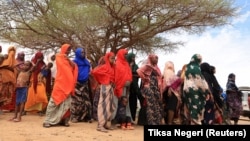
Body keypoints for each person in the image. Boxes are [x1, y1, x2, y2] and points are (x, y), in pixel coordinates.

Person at [43, 43, 78, 128]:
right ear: (63, 49)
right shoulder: (59, 57)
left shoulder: (68, 60)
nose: (68, 51)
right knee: (54, 102)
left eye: (69, 50)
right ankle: (47, 120)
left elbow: (74, 67)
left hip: (68, 85)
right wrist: (65, 58)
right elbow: (62, 67)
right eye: (67, 49)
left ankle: (64, 120)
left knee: (67, 104)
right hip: (60, 84)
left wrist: (69, 60)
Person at [182, 54, 211, 125]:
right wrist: (207, 91)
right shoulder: (196, 68)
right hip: (195, 92)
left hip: (188, 92)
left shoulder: (187, 68)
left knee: (192, 108)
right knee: (196, 109)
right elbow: (200, 81)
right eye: (200, 60)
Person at [91, 52, 116, 132]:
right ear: (107, 58)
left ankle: (105, 124)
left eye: (114, 58)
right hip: (105, 87)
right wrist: (102, 80)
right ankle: (100, 125)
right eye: (112, 58)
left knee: (109, 106)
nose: (113, 60)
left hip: (111, 87)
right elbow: (94, 72)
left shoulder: (112, 67)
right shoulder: (105, 67)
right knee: (103, 106)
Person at [136, 54, 163, 125]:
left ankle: (156, 122)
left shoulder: (157, 68)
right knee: (150, 105)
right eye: (155, 58)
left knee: (156, 105)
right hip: (148, 87)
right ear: (151, 59)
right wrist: (145, 79)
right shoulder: (147, 66)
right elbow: (139, 71)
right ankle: (151, 122)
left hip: (155, 88)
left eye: (157, 58)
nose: (157, 60)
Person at [71, 47, 92, 123]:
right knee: (77, 101)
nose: (83, 54)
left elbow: (90, 71)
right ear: (78, 53)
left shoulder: (87, 62)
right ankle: (75, 117)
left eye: (84, 52)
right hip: (77, 83)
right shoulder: (74, 62)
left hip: (85, 83)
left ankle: (86, 117)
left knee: (86, 101)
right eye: (81, 52)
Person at [24, 51, 48, 116]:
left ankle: (39, 110)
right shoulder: (32, 62)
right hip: (33, 81)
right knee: (31, 95)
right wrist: (37, 62)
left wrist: (42, 75)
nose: (40, 58)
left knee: (41, 95)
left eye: (41, 56)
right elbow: (31, 70)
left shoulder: (44, 64)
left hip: (40, 81)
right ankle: (27, 109)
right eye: (39, 57)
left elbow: (45, 72)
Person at [113, 49, 133, 122]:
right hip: (117, 87)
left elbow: (129, 75)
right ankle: (113, 118)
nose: (126, 55)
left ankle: (124, 118)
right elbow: (116, 76)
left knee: (124, 103)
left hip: (125, 87)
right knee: (115, 103)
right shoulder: (117, 64)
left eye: (127, 54)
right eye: (125, 54)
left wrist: (129, 82)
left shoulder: (126, 64)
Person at [0, 46, 17, 111]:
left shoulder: (12, 62)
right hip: (3, 80)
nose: (12, 53)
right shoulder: (4, 59)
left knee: (4, 96)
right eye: (10, 51)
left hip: (7, 81)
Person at [126, 52, 142, 122]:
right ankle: (126, 119)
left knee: (133, 103)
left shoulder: (136, 66)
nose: (133, 59)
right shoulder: (125, 65)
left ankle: (132, 118)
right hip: (126, 86)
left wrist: (133, 74)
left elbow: (139, 74)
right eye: (132, 57)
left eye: (134, 57)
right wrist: (130, 68)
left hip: (134, 87)